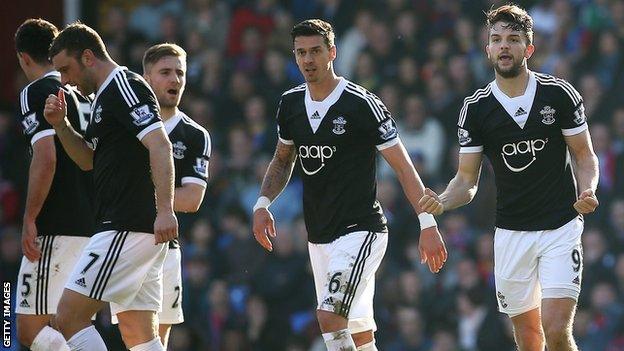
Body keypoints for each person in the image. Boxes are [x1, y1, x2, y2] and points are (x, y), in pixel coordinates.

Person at [251, 19, 447, 351]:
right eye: (301, 53)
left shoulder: (361, 104)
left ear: (333, 53)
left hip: (361, 230)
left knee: (329, 317)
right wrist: (262, 203)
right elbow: (283, 159)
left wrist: (427, 222)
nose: (308, 60)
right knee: (359, 335)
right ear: (294, 57)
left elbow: (402, 167)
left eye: (316, 51)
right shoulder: (291, 104)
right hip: (319, 236)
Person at [419, 5, 599, 351]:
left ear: (528, 48)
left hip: (560, 227)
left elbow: (584, 154)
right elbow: (467, 181)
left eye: (513, 39)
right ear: (487, 49)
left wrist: (588, 188)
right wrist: (442, 201)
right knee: (530, 338)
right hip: (511, 235)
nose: (504, 46)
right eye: (496, 39)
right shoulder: (476, 109)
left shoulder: (558, 95)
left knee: (556, 328)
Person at [43, 23, 177, 351]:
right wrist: (61, 126)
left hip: (126, 227)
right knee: (139, 334)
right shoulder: (103, 97)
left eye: (65, 69)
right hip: (134, 229)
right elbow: (89, 160)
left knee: (68, 317)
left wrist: (165, 210)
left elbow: (160, 145)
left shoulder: (124, 85)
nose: (64, 80)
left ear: (88, 57)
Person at [109, 43, 211, 348]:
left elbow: (192, 199)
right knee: (133, 335)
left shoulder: (195, 135)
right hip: (124, 242)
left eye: (180, 73)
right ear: (146, 77)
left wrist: (135, 194)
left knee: (159, 339)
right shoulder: (124, 125)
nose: (175, 80)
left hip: (167, 247)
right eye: (165, 72)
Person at [14, 18, 94, 351]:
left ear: (24, 58)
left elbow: (46, 158)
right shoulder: (82, 96)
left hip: (57, 225)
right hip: (92, 222)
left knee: (29, 329)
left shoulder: (36, 91)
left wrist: (30, 218)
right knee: (68, 323)